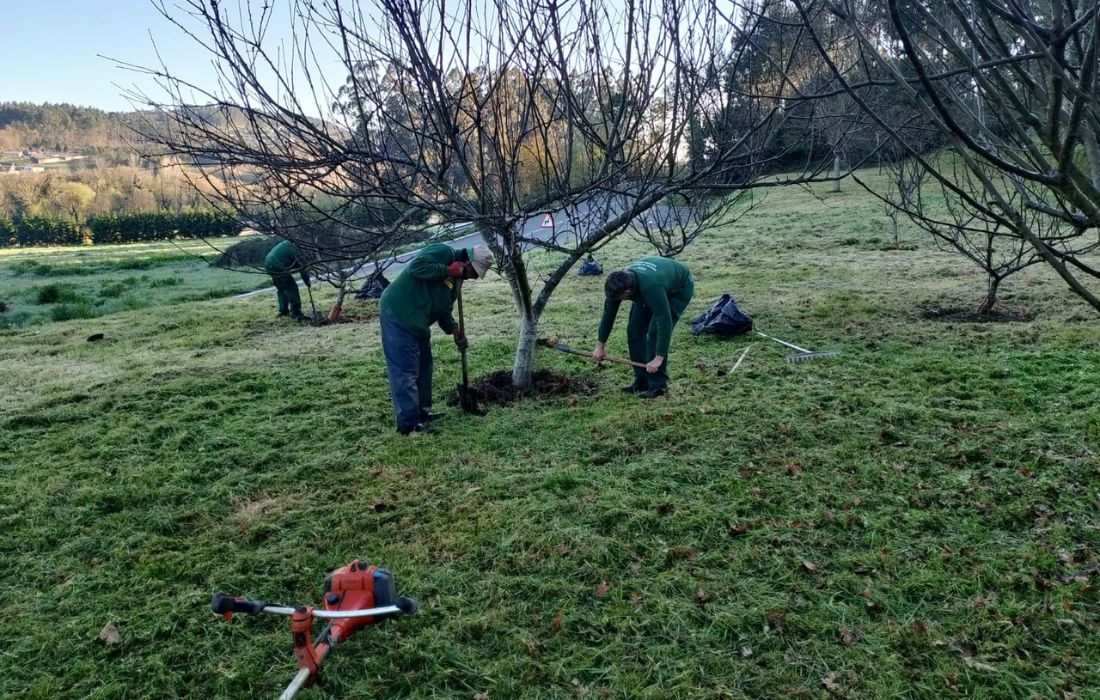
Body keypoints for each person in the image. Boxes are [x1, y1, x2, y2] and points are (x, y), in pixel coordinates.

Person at [379, 244, 494, 435]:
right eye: (474, 272)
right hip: (398, 314)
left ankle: (423, 412)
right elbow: (416, 267)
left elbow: (443, 310)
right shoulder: (442, 252)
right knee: (405, 372)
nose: (473, 277)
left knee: (425, 367)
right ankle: (409, 425)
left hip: (419, 322)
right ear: (466, 261)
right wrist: (446, 270)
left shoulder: (455, 282)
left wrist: (455, 330)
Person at [593, 256, 694, 399]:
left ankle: (658, 386)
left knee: (654, 332)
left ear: (627, 293)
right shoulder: (617, 287)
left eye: (619, 299)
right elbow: (608, 314)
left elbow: (664, 322)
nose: (615, 301)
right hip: (652, 284)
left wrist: (658, 357)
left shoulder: (651, 287)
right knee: (634, 330)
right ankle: (642, 381)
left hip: (679, 288)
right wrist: (600, 345)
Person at [264, 240, 311, 321]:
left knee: (282, 288)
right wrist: (307, 281)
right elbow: (302, 268)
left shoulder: (288, 241)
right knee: (291, 287)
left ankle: (283, 310)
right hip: (278, 266)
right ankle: (296, 313)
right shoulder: (297, 250)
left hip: (268, 263)